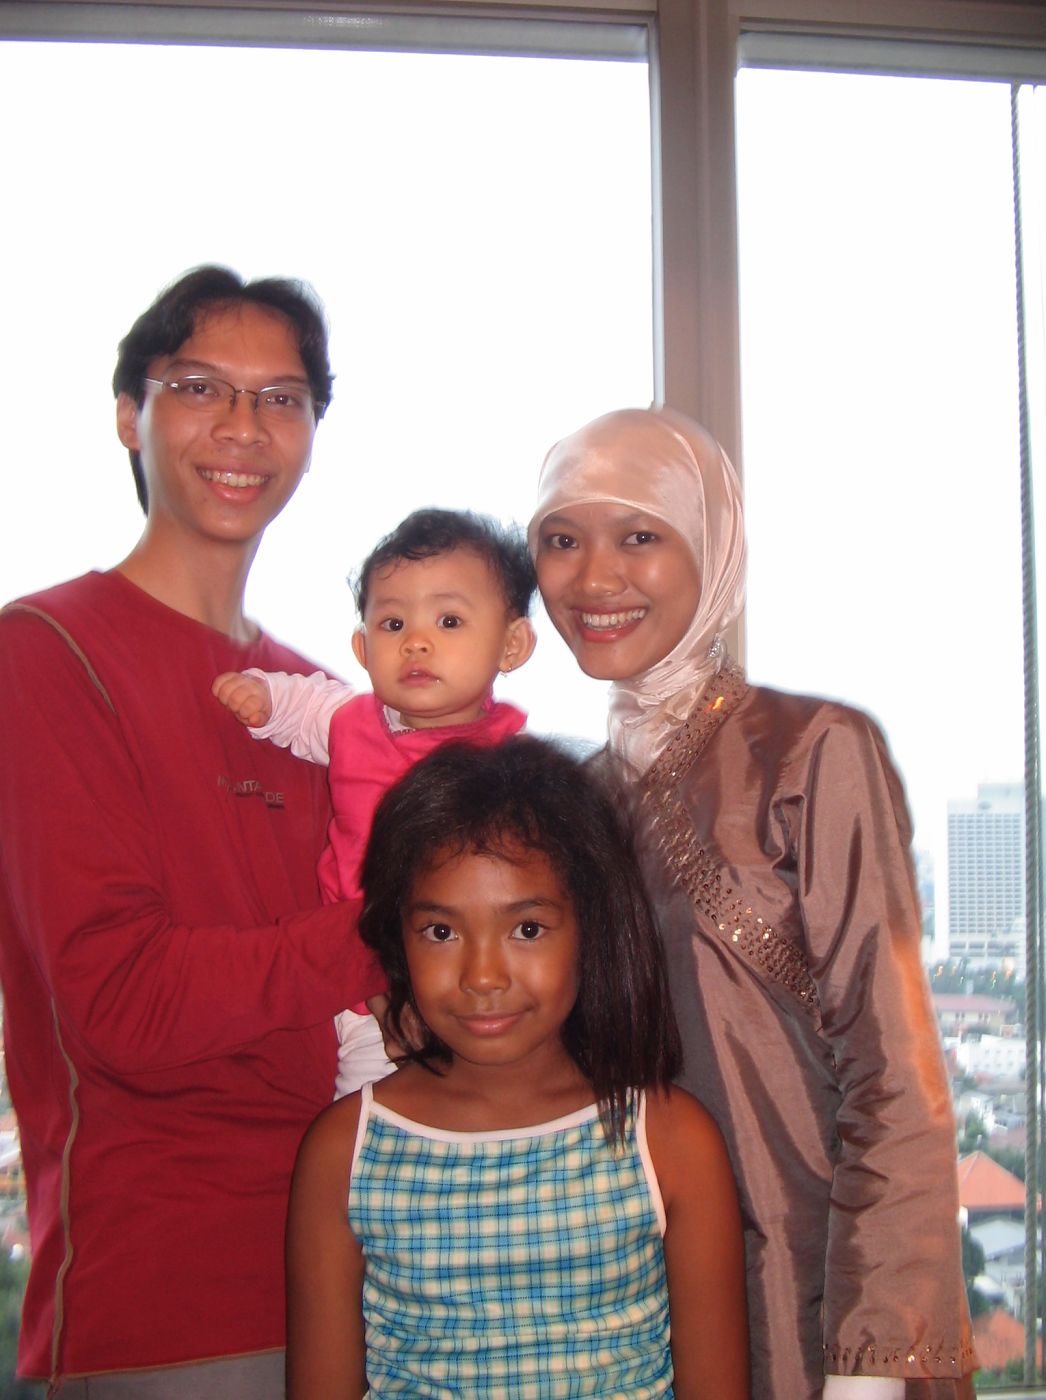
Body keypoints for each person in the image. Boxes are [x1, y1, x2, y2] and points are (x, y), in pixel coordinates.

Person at [528, 406, 977, 1400]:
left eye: (638, 535)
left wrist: (871, 1355)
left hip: (817, 1287)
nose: (594, 578)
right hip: (637, 1312)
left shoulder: (811, 751)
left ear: (713, 545)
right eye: (561, 540)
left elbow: (893, 1070)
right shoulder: (579, 801)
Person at [0, 266, 387, 1397]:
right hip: (168, 1298)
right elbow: (122, 1001)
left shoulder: (321, 702)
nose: (243, 427)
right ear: (131, 414)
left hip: (372, 1280)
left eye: (282, 398)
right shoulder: (47, 653)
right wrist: (392, 931)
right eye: (201, 387)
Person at [286, 735, 749, 1399]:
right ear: (399, 938)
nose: (482, 976)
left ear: (591, 929)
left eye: (526, 929)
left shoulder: (670, 1140)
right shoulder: (345, 1151)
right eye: (442, 931)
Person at [213, 507, 537, 1094]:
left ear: (510, 644)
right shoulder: (351, 722)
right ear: (362, 648)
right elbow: (301, 704)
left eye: (448, 620)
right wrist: (261, 696)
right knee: (369, 1103)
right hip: (364, 982)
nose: (416, 642)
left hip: (473, 975)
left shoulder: (511, 760)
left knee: (490, 1099)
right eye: (392, 624)